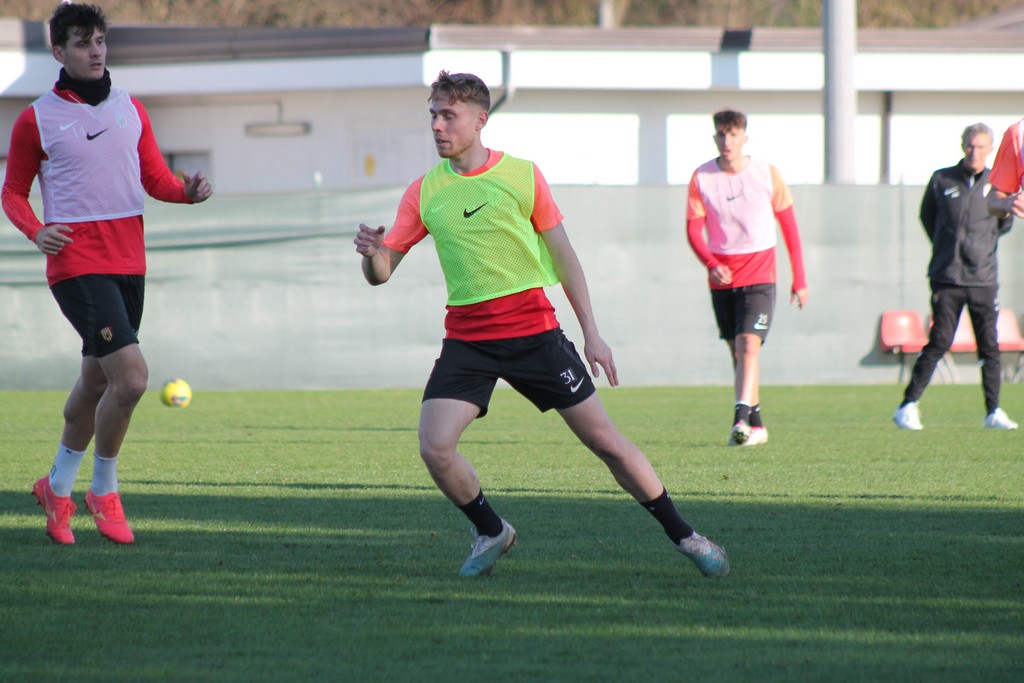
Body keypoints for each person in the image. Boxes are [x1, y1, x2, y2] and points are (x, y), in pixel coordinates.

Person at [353, 71, 728, 579]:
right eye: (433, 116)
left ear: (480, 120)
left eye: (449, 116)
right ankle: (492, 531)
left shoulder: (523, 176)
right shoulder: (424, 192)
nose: (437, 126)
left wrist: (591, 332)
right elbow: (381, 274)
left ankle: (686, 536)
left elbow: (565, 257)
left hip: (534, 334)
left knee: (607, 443)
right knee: (435, 447)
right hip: (467, 340)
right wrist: (372, 254)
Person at [2, 3, 213, 545]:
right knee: (133, 378)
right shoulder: (37, 119)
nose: (95, 51)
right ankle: (104, 490)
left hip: (129, 262)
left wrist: (186, 192)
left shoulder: (130, 108)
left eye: (99, 41)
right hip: (76, 263)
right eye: (82, 43)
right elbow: (13, 192)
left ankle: (56, 487)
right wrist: (35, 231)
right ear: (59, 52)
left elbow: (155, 179)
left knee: (97, 379)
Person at [686, 110, 808, 447]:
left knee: (749, 345)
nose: (727, 141)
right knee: (737, 353)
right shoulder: (702, 177)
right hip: (723, 278)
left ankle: (739, 419)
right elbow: (693, 230)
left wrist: (799, 278)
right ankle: (757, 424)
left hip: (759, 273)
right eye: (722, 135)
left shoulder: (767, 173)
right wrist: (711, 263)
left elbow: (789, 227)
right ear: (715, 138)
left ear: (745, 138)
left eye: (733, 135)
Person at [893, 124, 1016, 431]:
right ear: (963, 146)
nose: (975, 151)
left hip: (983, 277)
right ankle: (907, 405)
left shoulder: (997, 182)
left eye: (981, 147)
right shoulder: (942, 179)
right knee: (940, 340)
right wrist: (946, 247)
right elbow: (927, 218)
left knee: (989, 345)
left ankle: (994, 411)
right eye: (970, 145)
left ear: (990, 150)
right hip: (947, 276)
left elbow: (1004, 224)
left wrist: (979, 247)